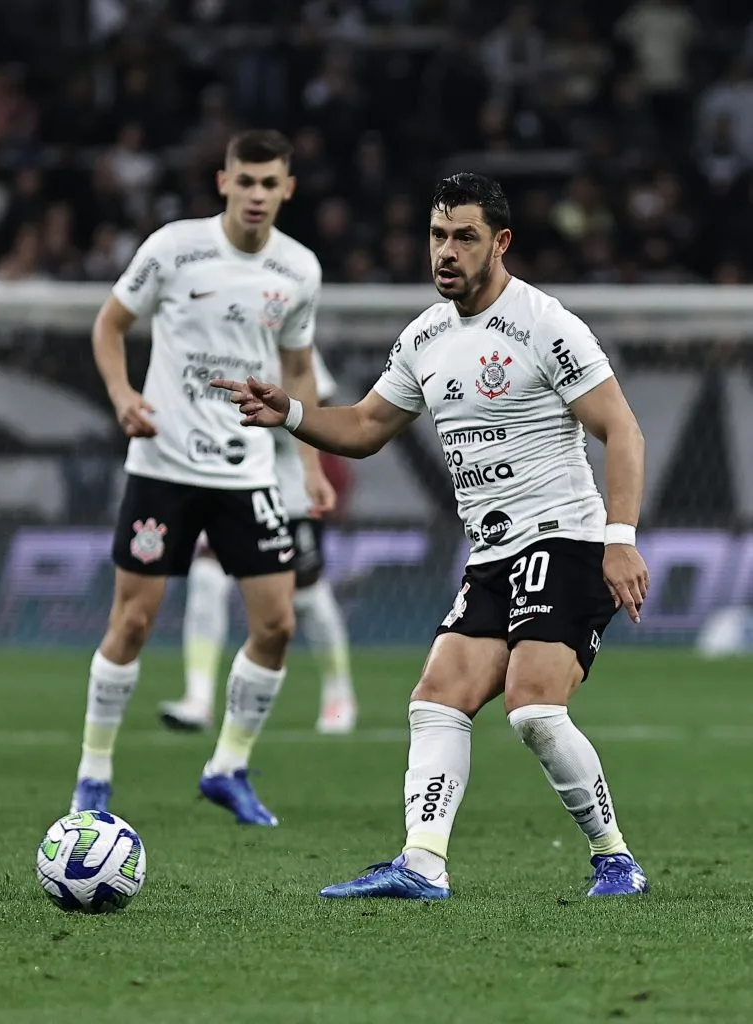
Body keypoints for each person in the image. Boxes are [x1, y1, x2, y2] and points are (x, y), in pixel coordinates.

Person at [212, 172, 651, 897]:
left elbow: (622, 429)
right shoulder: (425, 335)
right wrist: (290, 410)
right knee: (436, 697)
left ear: (500, 242)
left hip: (564, 539)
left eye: (464, 238)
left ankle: (616, 861)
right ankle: (422, 864)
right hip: (493, 553)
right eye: (438, 236)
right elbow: (361, 427)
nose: (446, 252)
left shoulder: (545, 324)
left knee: (535, 707)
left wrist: (620, 535)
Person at [70, 129, 335, 826]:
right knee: (132, 621)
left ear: (287, 189)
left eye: (268, 183)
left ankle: (228, 766)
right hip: (162, 464)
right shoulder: (172, 248)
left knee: (276, 623)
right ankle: (92, 777)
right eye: (243, 181)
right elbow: (108, 325)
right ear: (223, 182)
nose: (255, 195)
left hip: (246, 471)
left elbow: (299, 367)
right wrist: (123, 395)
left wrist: (307, 460)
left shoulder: (299, 270)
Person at [158, 346, 357, 735]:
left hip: (289, 488)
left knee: (306, 593)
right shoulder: (213, 342)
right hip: (232, 481)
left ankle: (339, 694)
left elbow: (324, 408)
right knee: (207, 575)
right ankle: (198, 699)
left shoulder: (290, 341)